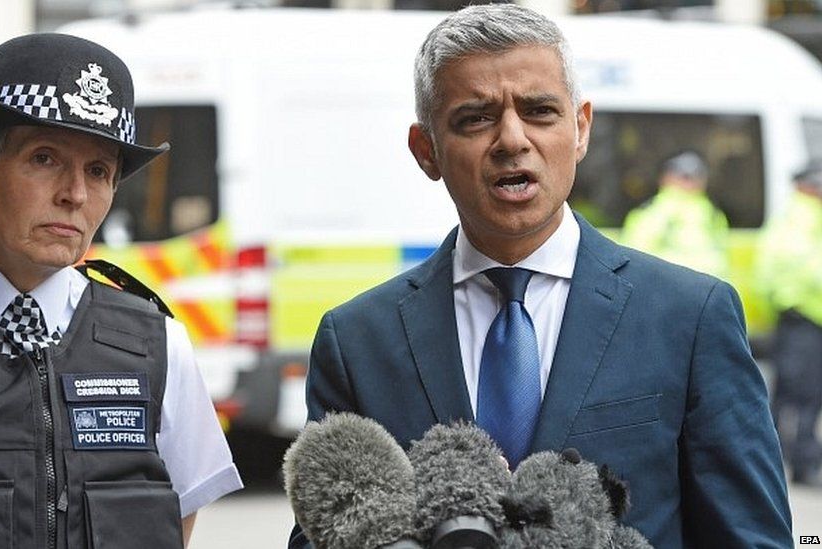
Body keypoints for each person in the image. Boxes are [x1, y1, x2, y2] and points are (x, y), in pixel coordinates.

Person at [290, 4, 791, 548]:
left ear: (580, 129)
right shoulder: (358, 340)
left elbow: (754, 536)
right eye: (476, 117)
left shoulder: (691, 316)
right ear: (426, 150)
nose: (511, 139)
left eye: (539, 111)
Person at [0, 33, 242, 548]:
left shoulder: (159, 344)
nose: (75, 194)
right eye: (44, 158)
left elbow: (177, 521)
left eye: (98, 171)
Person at [757, 162, 822, 487]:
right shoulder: (804, 218)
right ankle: (800, 461)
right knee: (804, 394)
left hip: (796, 316)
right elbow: (809, 269)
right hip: (804, 317)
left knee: (788, 393)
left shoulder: (795, 217)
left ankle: (781, 457)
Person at [621, 150, 730, 279]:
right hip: (668, 288)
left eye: (695, 176)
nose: (689, 183)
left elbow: (720, 249)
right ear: (665, 178)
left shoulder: (712, 211)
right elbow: (636, 256)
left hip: (708, 287)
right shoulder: (653, 211)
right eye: (684, 177)